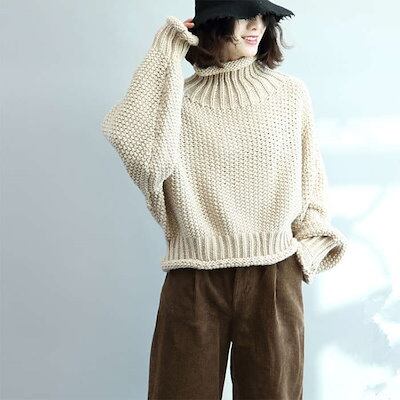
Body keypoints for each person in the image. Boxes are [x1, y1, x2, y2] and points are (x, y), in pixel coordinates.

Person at [101, 1, 348, 399]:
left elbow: (312, 183)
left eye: (262, 16)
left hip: (273, 273)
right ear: (214, 24)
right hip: (194, 275)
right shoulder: (175, 103)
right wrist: (166, 49)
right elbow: (134, 142)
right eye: (242, 15)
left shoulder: (290, 95)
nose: (256, 25)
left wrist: (307, 248)